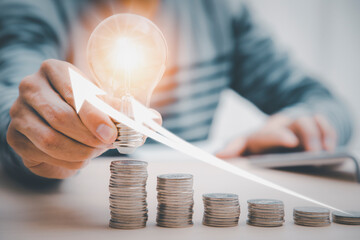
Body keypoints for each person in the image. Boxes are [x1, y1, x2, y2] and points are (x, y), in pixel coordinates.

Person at [0, 0, 353, 185]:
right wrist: (34, 131)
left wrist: (298, 128)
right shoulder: (33, 7)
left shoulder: (217, 9)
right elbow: (14, 104)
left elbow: (323, 101)